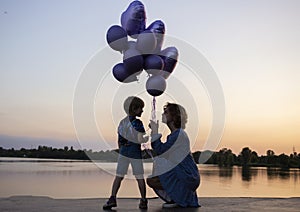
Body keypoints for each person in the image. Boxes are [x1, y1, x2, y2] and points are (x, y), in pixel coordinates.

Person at [147, 102, 200, 208]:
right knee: (151, 180)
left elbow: (160, 150)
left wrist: (154, 131)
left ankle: (177, 199)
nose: (163, 114)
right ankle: (175, 198)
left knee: (160, 161)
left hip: (187, 176)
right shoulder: (175, 135)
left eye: (166, 112)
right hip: (183, 174)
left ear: (175, 116)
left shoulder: (179, 135)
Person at [103, 96, 149, 210]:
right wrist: (146, 139)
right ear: (134, 109)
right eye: (140, 108)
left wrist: (122, 150)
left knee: (119, 176)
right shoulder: (137, 123)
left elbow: (119, 141)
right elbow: (139, 139)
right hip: (134, 153)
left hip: (123, 152)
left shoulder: (122, 123)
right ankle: (143, 200)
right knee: (139, 177)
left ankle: (112, 198)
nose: (142, 111)